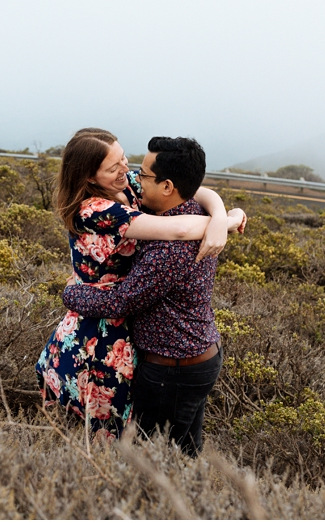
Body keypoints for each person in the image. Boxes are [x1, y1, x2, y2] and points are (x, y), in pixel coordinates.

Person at [35, 128, 246, 438]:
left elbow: (191, 197)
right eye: (113, 167)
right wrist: (225, 220)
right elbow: (178, 218)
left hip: (156, 343)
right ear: (90, 177)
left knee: (150, 445)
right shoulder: (96, 209)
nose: (127, 170)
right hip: (107, 326)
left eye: (124, 160)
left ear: (166, 186)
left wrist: (220, 217)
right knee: (141, 436)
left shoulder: (137, 192)